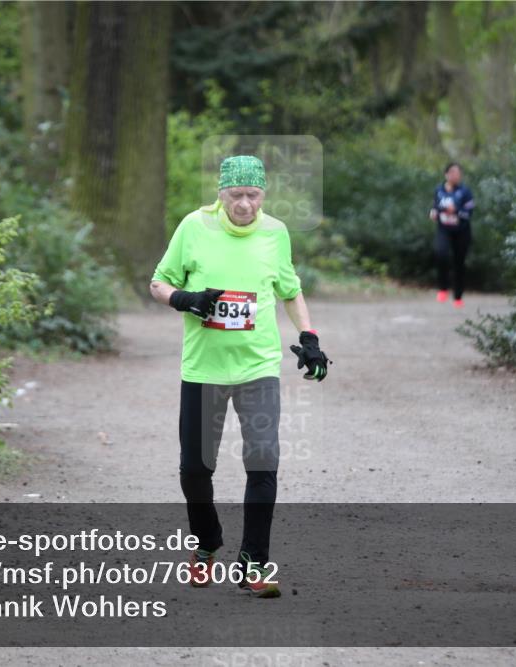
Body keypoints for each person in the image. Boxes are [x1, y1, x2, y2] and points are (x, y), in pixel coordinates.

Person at [149, 155, 330, 599]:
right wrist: (185, 299)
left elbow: (290, 291)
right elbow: (158, 283)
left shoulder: (276, 233)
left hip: (258, 367)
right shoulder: (194, 227)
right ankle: (206, 542)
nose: (245, 204)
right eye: (236, 195)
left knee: (264, 460)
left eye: (253, 195)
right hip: (203, 368)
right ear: (220, 193)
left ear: (264, 194)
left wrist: (309, 337)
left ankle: (254, 563)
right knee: (195, 469)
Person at [428, 162, 475, 308]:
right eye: (453, 173)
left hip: (462, 231)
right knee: (441, 253)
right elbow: (435, 207)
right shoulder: (439, 190)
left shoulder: (465, 192)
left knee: (459, 262)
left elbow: (468, 213)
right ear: (446, 174)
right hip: (444, 229)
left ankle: (458, 296)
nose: (456, 176)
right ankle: (442, 288)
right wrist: (434, 213)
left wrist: (456, 211)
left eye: (458, 173)